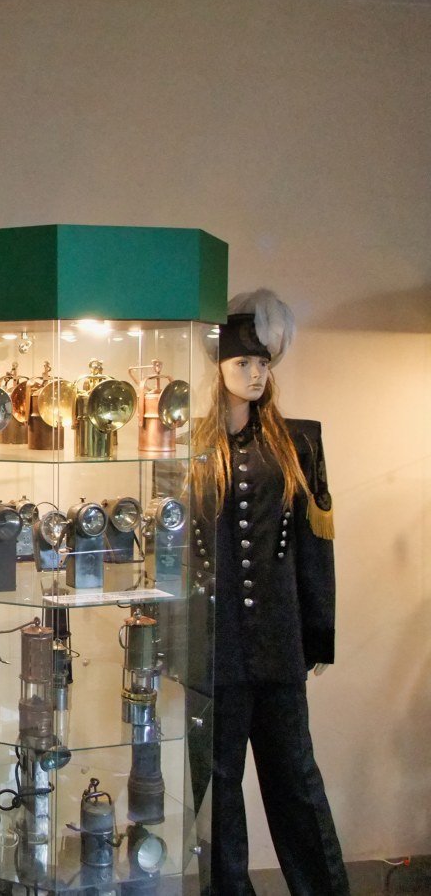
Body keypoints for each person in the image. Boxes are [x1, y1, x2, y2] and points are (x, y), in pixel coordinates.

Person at [189, 289, 349, 895]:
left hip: (280, 645)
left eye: (263, 363)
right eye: (243, 362)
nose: (256, 374)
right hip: (214, 648)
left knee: (296, 782)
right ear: (219, 366)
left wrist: (318, 633)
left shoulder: (297, 443)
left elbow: (315, 546)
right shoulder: (189, 447)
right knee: (218, 789)